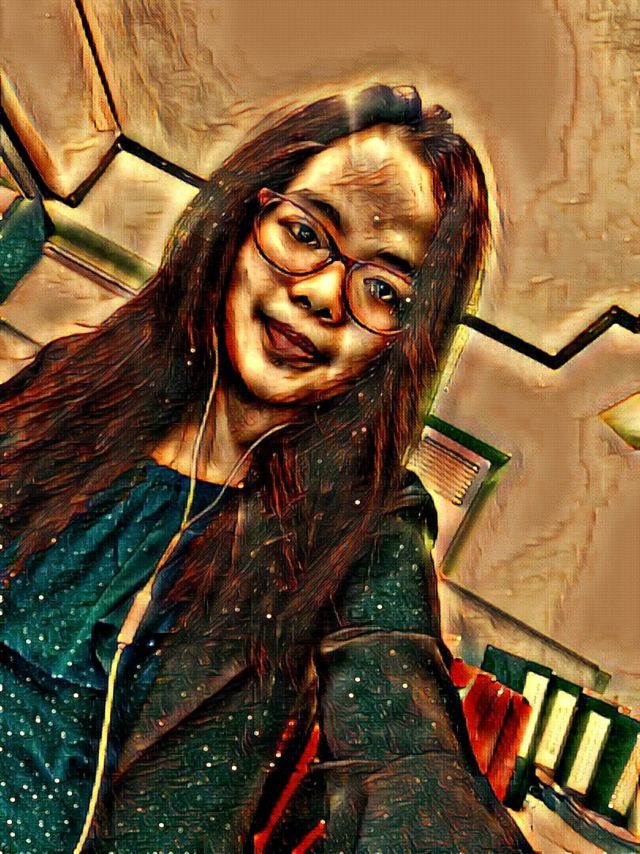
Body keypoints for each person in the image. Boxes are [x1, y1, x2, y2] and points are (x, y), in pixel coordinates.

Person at [0, 84, 533, 852]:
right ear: (241, 225)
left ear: (404, 340)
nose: (321, 294)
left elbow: (408, 764)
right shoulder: (72, 379)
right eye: (306, 232)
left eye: (383, 289)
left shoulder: (372, 526)